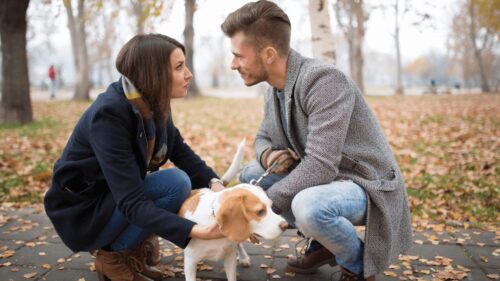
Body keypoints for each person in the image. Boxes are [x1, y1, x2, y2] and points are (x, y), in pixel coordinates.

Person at [221, 1, 412, 280]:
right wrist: (267, 157)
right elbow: (262, 137)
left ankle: (358, 266)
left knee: (308, 207)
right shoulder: (274, 89)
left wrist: (260, 209)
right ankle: (324, 242)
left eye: (238, 56)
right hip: (329, 179)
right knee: (251, 173)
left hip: (365, 183)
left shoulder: (324, 81)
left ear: (270, 54)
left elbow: (321, 166)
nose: (232, 64)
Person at [44, 34, 227, 281]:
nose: (189, 74)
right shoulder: (110, 114)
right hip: (84, 209)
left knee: (177, 180)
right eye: (179, 66)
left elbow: (179, 150)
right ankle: (112, 258)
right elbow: (131, 201)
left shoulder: (152, 101)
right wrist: (196, 232)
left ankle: (131, 253)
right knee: (175, 183)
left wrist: (216, 186)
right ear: (154, 73)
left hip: (113, 196)